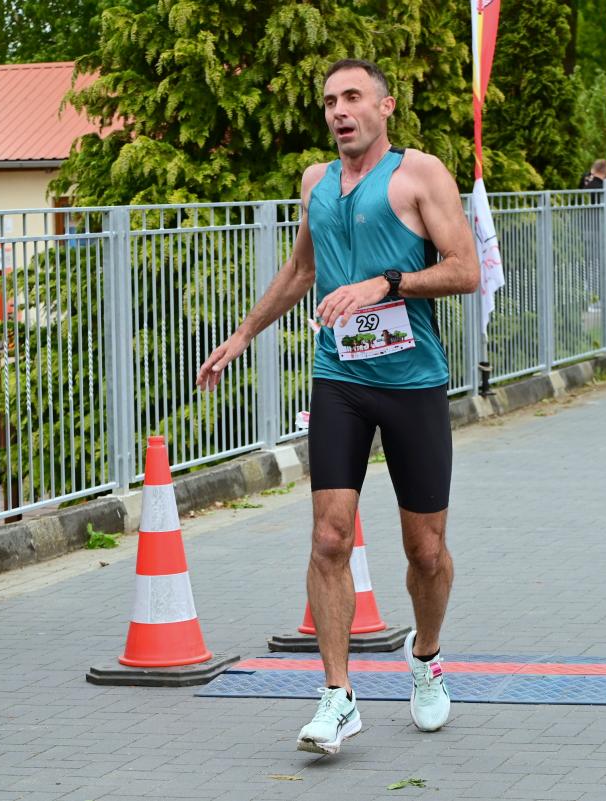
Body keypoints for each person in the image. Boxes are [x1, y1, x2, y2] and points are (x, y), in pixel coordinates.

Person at [196, 58, 478, 755]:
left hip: (412, 380)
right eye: (329, 101)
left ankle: (425, 656)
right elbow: (302, 269)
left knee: (426, 550)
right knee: (329, 537)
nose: (339, 111)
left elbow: (466, 269)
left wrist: (388, 283)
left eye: (353, 97)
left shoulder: (419, 174)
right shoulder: (316, 182)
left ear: (385, 106)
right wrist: (242, 335)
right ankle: (337, 694)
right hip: (340, 378)